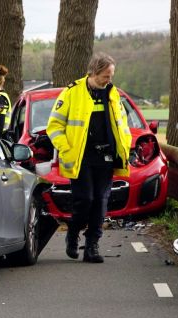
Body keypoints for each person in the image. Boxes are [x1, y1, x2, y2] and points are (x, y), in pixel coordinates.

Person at [46, 52, 132, 263]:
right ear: (94, 72)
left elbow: (122, 126)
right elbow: (54, 126)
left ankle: (92, 245)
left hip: (106, 157)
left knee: (101, 202)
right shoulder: (72, 93)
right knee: (85, 200)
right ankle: (73, 233)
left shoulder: (113, 95)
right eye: (106, 75)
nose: (109, 80)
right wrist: (66, 149)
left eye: (111, 76)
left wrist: (125, 147)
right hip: (80, 157)